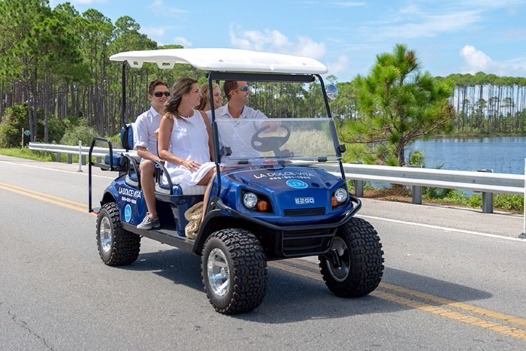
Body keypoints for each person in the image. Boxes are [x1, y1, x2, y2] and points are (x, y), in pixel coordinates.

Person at [158, 77, 216, 223]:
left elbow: (211, 144)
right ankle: (204, 221)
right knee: (217, 174)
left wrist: (217, 161)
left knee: (225, 172)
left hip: (204, 167)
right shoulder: (169, 118)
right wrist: (183, 162)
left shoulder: (202, 116)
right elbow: (162, 152)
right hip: (182, 170)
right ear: (185, 95)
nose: (200, 95)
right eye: (196, 91)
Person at [207, 80, 272, 164]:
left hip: (255, 166)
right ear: (233, 93)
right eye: (245, 89)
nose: (249, 92)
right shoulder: (213, 115)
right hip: (228, 169)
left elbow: (265, 124)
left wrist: (272, 124)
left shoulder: (254, 114)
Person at [135, 79, 170, 230]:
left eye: (166, 93)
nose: (163, 97)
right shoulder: (143, 119)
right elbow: (140, 150)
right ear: (150, 97)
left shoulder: (174, 117)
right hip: (154, 160)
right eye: (158, 94)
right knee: (146, 165)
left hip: (174, 158)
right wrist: (158, 159)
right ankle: (152, 215)